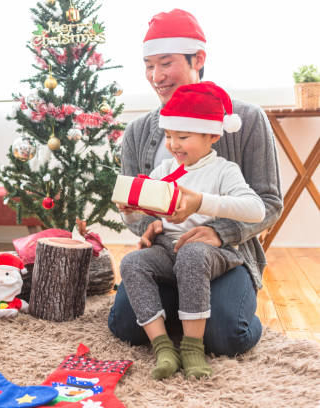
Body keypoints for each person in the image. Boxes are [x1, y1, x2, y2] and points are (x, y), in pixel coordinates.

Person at [108, 9, 283, 357]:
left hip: (222, 255)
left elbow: (269, 203)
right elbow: (138, 208)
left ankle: (223, 309)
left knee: (226, 337)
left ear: (198, 58)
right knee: (125, 326)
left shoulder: (245, 120)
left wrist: (219, 232)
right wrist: (142, 220)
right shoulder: (137, 131)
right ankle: (183, 313)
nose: (155, 76)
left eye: (166, 63)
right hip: (164, 253)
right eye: (148, 65)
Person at [119, 82, 265, 379]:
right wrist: (135, 211)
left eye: (182, 136)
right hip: (167, 250)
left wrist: (202, 203)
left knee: (192, 254)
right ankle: (163, 346)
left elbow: (257, 209)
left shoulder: (224, 171)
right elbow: (147, 210)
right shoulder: (164, 172)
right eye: (169, 135)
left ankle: (192, 348)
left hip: (213, 252)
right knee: (131, 262)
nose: (172, 145)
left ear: (212, 135)